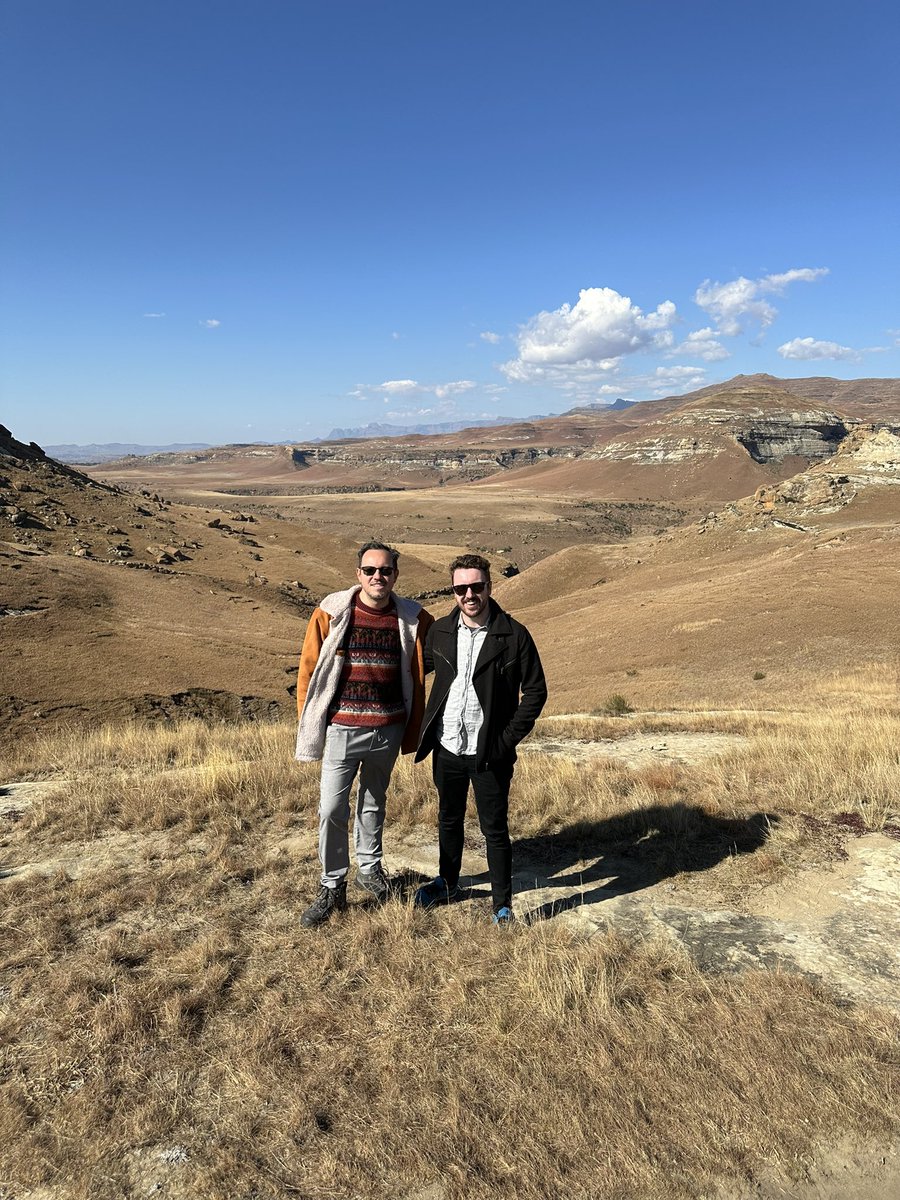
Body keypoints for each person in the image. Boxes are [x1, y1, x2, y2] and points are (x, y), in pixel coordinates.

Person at [295, 540, 433, 928]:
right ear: (358, 574)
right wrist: (308, 720)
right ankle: (332, 885)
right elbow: (309, 670)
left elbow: (442, 649)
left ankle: (370, 869)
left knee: (374, 801)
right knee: (332, 809)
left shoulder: (413, 618)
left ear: (395, 575)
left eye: (385, 571)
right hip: (343, 727)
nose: (378, 577)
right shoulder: (332, 612)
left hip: (388, 727)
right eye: (370, 570)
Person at [414, 553, 547, 924]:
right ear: (453, 590)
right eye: (461, 588)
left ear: (489, 586)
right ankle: (448, 881)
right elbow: (415, 672)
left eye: (476, 586)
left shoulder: (513, 634)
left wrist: (506, 741)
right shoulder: (440, 631)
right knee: (448, 818)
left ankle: (502, 904)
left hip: (490, 752)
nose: (469, 594)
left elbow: (535, 692)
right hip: (448, 747)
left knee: (495, 828)